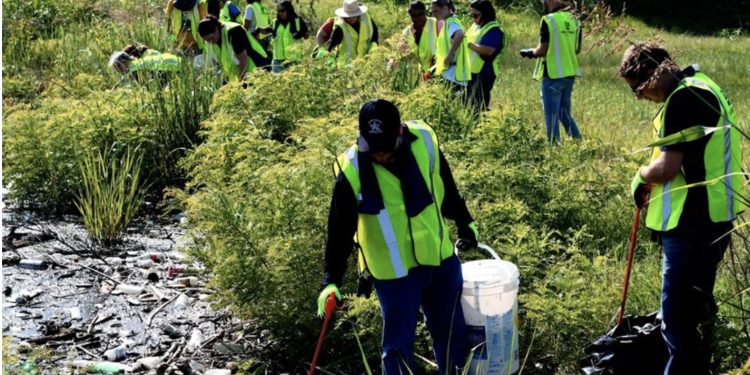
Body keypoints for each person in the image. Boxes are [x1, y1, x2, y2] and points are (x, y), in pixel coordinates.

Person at [319, 99, 479, 374]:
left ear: (400, 132)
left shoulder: (425, 141)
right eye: (372, 148)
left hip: (439, 258)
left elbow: (446, 183)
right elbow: (339, 230)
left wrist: (465, 222)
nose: (378, 155)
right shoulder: (351, 169)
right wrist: (330, 280)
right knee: (396, 349)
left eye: (384, 148)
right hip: (394, 274)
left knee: (453, 336)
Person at [619, 42, 744, 375]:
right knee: (693, 309)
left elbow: (667, 168)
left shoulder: (682, 99)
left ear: (653, 75)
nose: (639, 97)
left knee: (675, 319)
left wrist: (640, 176)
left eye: (638, 89)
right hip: (715, 217)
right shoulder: (703, 85)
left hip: (692, 222)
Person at [519, 0, 581, 144]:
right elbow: (576, 49)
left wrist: (530, 53)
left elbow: (542, 50)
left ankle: (553, 146)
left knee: (551, 114)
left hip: (553, 74)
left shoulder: (548, 20)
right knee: (563, 112)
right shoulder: (575, 20)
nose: (543, 3)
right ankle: (578, 140)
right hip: (569, 73)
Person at [198, 16, 269, 81]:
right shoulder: (211, 42)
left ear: (216, 29)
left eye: (211, 38)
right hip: (240, 76)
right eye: (207, 40)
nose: (210, 42)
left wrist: (241, 83)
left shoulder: (234, 31)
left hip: (256, 70)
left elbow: (243, 60)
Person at [466, 0, 504, 112]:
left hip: (484, 73)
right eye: (471, 15)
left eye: (475, 15)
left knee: (479, 105)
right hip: (472, 72)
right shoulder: (475, 26)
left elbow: (488, 51)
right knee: (469, 104)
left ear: (485, 14)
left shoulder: (493, 30)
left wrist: (468, 44)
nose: (473, 18)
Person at [431, 0, 470, 90]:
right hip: (451, 73)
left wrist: (450, 54)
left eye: (436, 11)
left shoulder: (451, 22)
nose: (433, 15)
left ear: (445, 8)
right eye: (432, 12)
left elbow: (459, 34)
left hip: (453, 74)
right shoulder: (448, 22)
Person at [326, 0, 379, 65]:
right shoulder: (339, 28)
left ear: (359, 14)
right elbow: (331, 45)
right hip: (346, 67)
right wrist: (330, 61)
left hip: (365, 63)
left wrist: (374, 45)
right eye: (348, 16)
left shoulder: (366, 18)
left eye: (354, 15)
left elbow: (375, 33)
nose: (351, 18)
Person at [269, 1, 309, 73]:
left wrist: (301, 34)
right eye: (278, 11)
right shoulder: (275, 22)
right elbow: (270, 34)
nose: (280, 13)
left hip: (293, 60)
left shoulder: (298, 20)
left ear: (289, 10)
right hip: (277, 60)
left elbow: (306, 35)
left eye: (282, 10)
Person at [401, 1, 437, 78]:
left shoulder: (435, 22)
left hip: (438, 68)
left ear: (425, 12)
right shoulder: (407, 32)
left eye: (420, 14)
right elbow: (405, 54)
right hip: (423, 72)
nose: (417, 18)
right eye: (414, 15)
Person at [109, 46, 182, 82]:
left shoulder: (134, 69)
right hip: (178, 62)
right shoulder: (138, 62)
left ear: (123, 63)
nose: (117, 70)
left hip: (175, 69)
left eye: (118, 67)